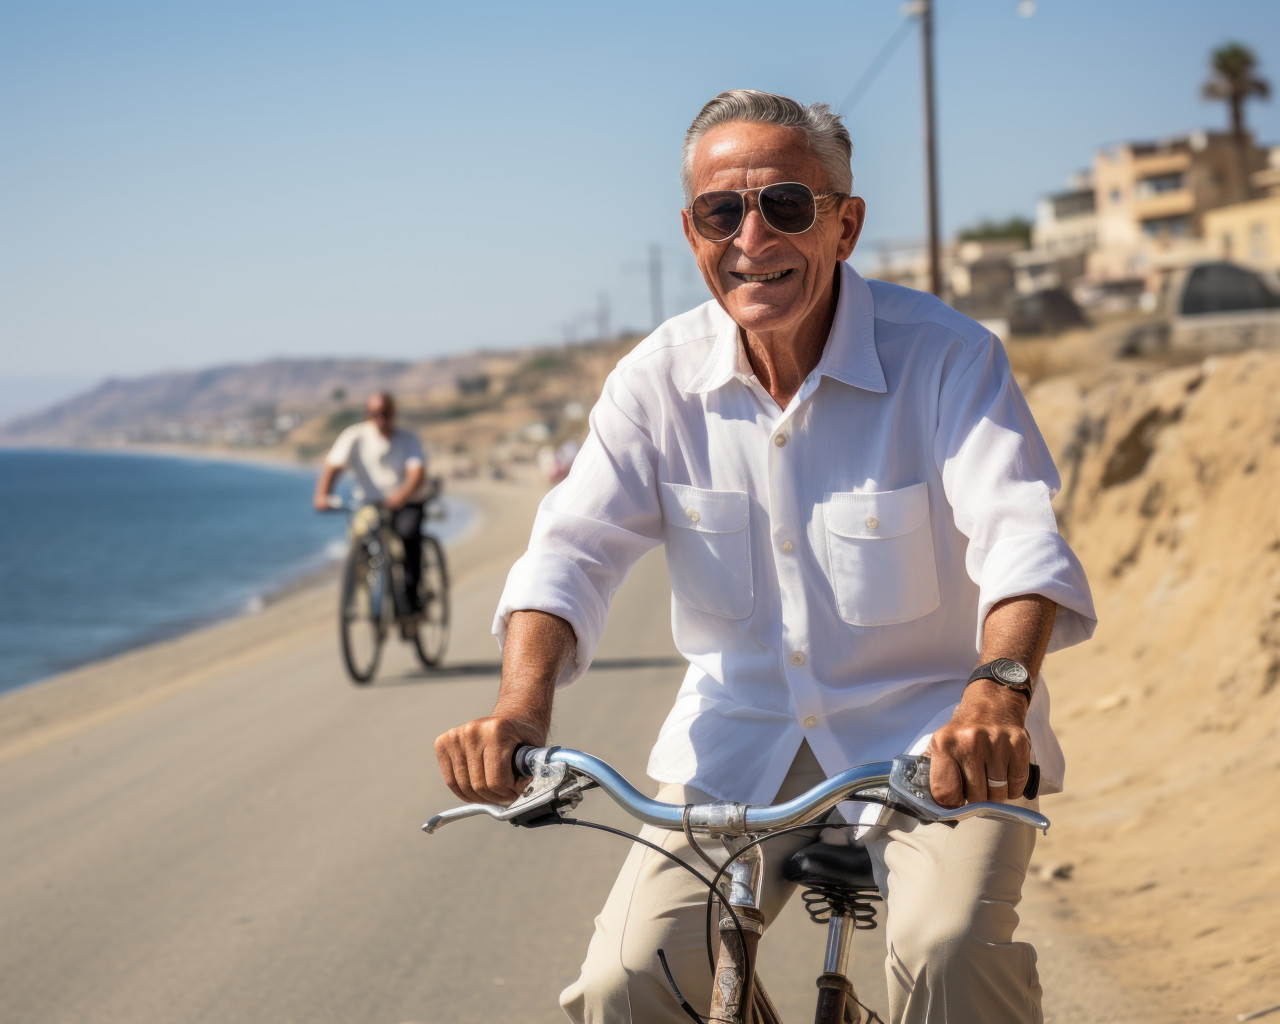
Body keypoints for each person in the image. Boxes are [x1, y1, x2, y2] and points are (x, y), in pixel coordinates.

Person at [435, 89, 1096, 1023]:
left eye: (786, 204)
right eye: (722, 210)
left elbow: (1020, 537)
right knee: (626, 985)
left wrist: (995, 696)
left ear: (845, 224)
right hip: (736, 744)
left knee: (945, 954)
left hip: (934, 742)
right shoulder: (655, 380)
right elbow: (570, 551)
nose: (753, 235)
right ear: (694, 229)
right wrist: (517, 708)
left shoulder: (948, 359)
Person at [313, 391, 432, 629]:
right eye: (374, 414)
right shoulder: (354, 436)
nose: (380, 419)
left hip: (407, 502)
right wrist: (322, 494)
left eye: (385, 413)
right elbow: (333, 465)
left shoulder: (408, 439)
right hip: (370, 504)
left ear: (393, 413)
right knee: (361, 537)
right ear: (368, 415)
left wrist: (402, 494)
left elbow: (416, 473)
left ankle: (411, 604)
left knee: (408, 537)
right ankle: (368, 589)